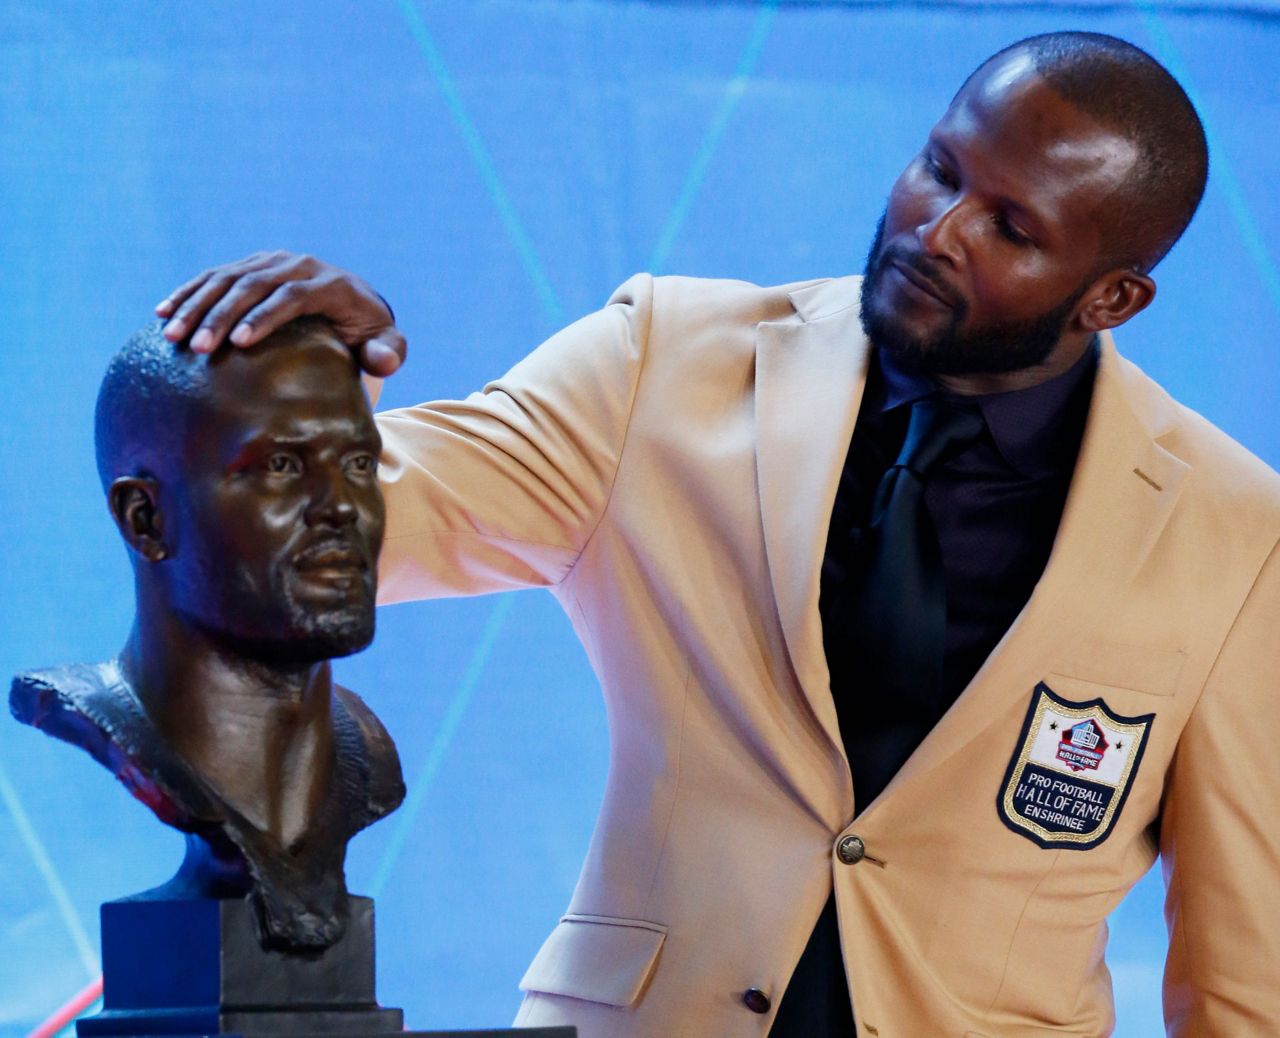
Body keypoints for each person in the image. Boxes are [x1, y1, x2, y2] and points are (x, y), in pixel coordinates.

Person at [152, 31, 1280, 1037]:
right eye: (938, 167)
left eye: (1008, 226)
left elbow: (1245, 971)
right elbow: (313, 547)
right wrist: (284, 393)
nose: (934, 230)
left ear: (1109, 299)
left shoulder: (1235, 531)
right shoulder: (661, 361)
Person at [10, 319, 404, 952]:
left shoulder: (367, 760)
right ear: (147, 519)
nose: (342, 505)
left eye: (359, 463)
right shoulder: (98, 712)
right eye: (280, 465)